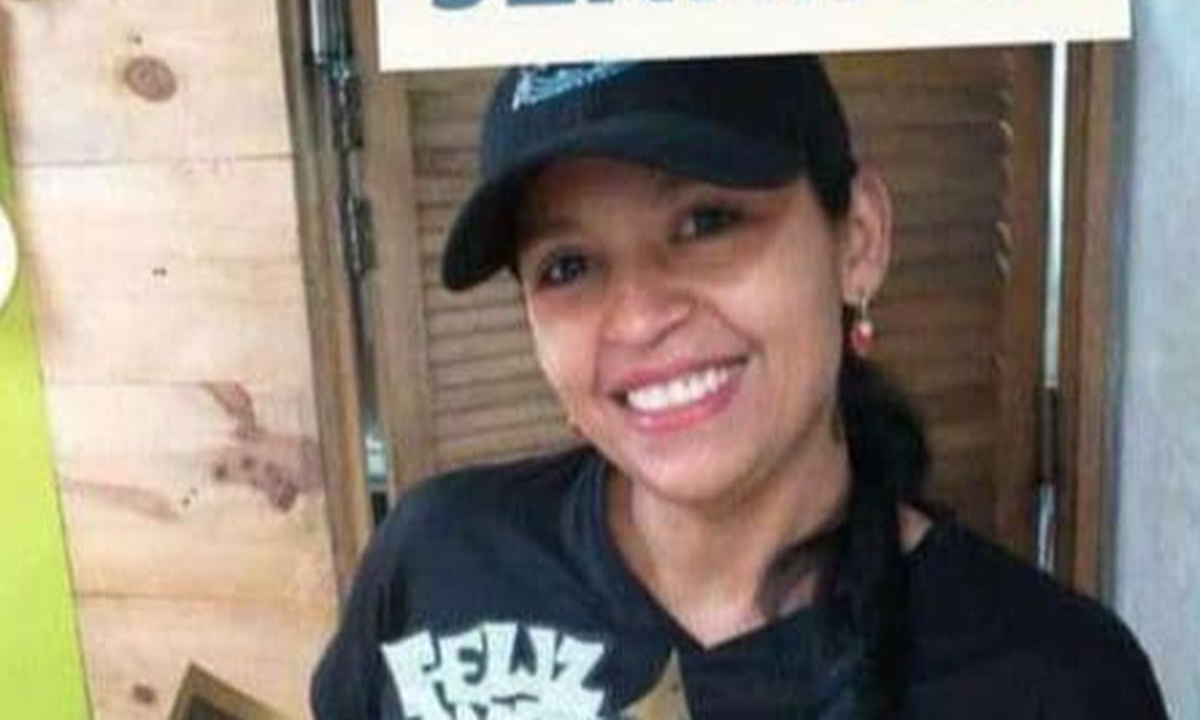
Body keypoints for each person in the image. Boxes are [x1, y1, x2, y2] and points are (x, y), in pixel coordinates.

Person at [311, 55, 1167, 720]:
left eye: (706, 222)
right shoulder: (436, 559)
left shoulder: (1058, 679)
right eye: (567, 265)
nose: (638, 319)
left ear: (858, 238)